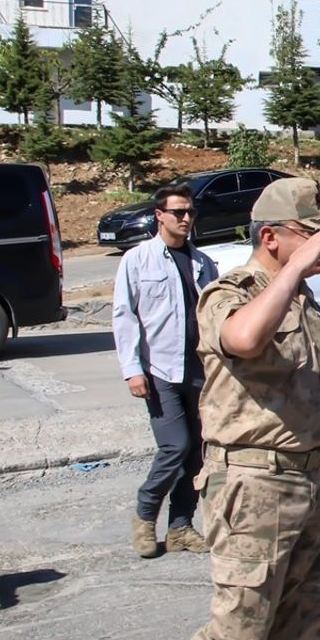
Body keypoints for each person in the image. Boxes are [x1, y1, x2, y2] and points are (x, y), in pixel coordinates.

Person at [152, 177, 320, 640]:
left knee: (300, 620)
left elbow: (304, 387)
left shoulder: (301, 297)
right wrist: (295, 274)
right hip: (254, 481)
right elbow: (242, 339)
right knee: (238, 631)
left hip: (306, 476)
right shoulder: (232, 292)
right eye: (309, 233)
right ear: (271, 238)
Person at [113, 184, 218, 559]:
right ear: (160, 215)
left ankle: (180, 527)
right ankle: (145, 515)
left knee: (197, 454)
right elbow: (124, 316)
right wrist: (132, 370)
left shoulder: (203, 263)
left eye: (190, 212)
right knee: (176, 446)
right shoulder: (138, 260)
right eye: (178, 213)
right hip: (159, 369)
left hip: (200, 370)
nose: (186, 219)